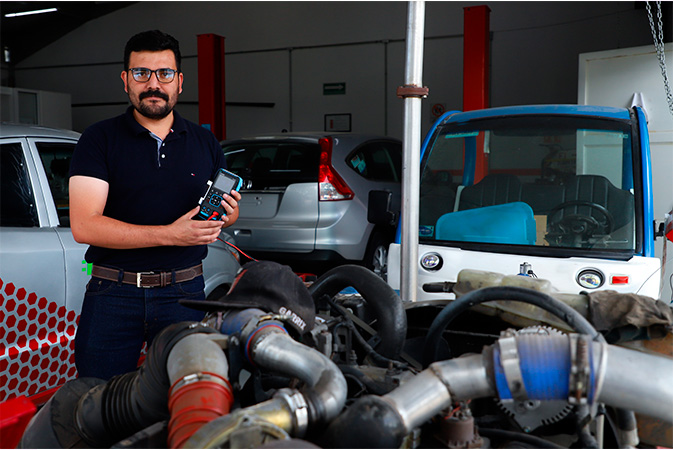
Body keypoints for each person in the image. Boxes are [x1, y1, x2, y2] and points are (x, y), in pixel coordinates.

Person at [69, 30, 241, 380]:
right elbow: (85, 225)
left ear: (179, 81)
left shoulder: (205, 142)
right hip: (113, 294)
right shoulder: (98, 139)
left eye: (164, 73)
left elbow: (223, 215)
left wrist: (227, 214)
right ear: (125, 80)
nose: (153, 84)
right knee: (97, 397)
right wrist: (171, 234)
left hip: (184, 292)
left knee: (186, 394)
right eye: (141, 73)